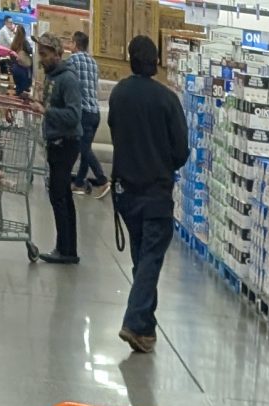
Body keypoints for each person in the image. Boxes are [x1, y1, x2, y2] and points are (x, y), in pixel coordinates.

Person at [106, 33, 187, 354]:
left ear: (129, 58)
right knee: (151, 259)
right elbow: (181, 151)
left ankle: (146, 331)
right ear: (157, 62)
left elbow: (115, 132)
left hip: (125, 191)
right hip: (156, 192)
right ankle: (133, 320)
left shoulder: (119, 94)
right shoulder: (167, 100)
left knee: (142, 259)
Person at [35, 32, 78, 264]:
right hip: (56, 141)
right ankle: (68, 248)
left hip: (66, 143)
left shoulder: (68, 79)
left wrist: (47, 111)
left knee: (58, 196)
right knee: (63, 196)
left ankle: (65, 250)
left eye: (44, 54)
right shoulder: (52, 77)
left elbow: (74, 115)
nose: (40, 58)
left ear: (57, 54)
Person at [66, 26, 103, 190]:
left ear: (75, 44)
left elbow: (64, 79)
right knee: (85, 148)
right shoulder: (93, 63)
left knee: (83, 148)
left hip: (83, 113)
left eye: (71, 42)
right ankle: (79, 182)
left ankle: (102, 179)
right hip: (95, 113)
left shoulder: (73, 60)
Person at [5, 19, 31, 93]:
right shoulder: (24, 42)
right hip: (23, 70)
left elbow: (11, 55)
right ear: (24, 32)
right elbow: (29, 50)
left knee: (18, 88)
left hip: (15, 68)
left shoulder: (14, 42)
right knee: (23, 91)